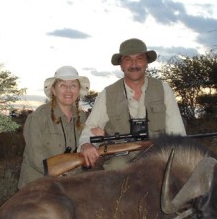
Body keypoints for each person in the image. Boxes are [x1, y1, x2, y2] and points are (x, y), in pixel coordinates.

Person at [78, 38, 186, 168]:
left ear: (147, 63)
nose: (134, 64)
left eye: (139, 59)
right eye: (128, 59)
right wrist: (86, 144)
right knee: (117, 167)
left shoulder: (163, 89)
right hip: (121, 155)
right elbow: (91, 127)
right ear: (121, 65)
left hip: (158, 152)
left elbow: (177, 130)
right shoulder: (108, 94)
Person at [18, 65, 90, 189]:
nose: (68, 90)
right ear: (53, 90)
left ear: (78, 90)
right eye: (62, 85)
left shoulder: (82, 117)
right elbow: (37, 159)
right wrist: (64, 177)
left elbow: (84, 150)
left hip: (71, 183)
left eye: (73, 85)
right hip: (38, 185)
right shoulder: (38, 117)